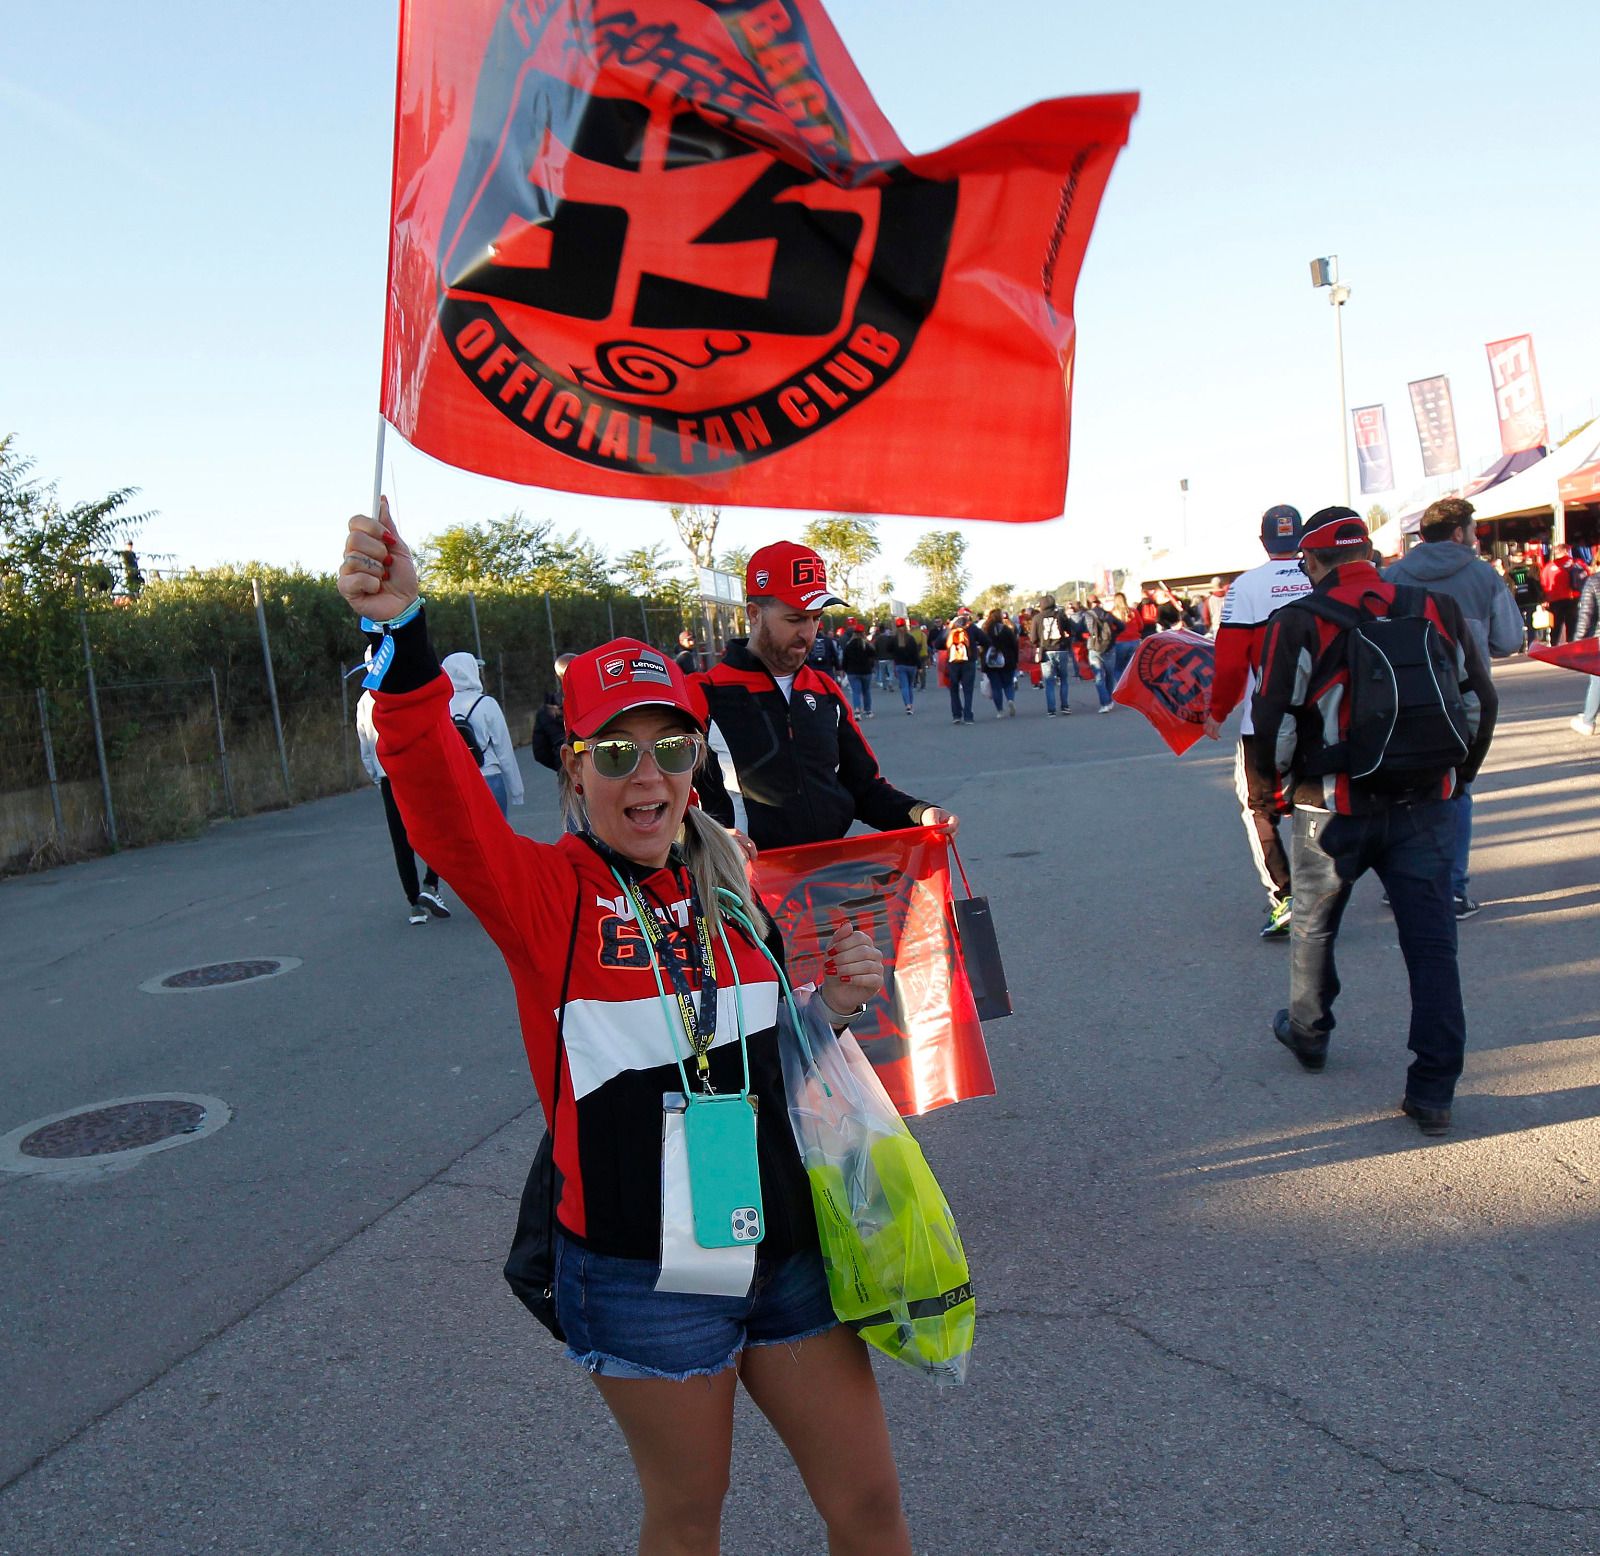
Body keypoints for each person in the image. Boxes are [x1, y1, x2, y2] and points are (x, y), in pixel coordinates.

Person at [340, 504, 915, 1556]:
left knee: (870, 1505)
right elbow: (434, 789)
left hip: (783, 1240)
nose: (645, 775)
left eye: (669, 746)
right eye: (615, 749)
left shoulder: (736, 874)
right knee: (689, 1520)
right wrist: (405, 631)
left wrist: (825, 1005)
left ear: (697, 757)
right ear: (574, 769)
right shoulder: (543, 891)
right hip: (645, 1272)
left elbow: (756, 1041)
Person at [1251, 510, 1497, 1137]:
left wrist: (1273, 795)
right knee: (1432, 944)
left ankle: (1309, 1032)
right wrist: (1458, 775)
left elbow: (1275, 718)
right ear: (1372, 552)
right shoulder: (1432, 605)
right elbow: (1479, 698)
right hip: (1427, 802)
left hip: (1331, 806)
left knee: (1313, 923)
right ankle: (1435, 1088)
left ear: (1310, 562)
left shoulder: (1299, 621)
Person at [693, 541, 959, 847]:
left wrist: (921, 813)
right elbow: (665, 803)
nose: (808, 633)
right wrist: (711, 839)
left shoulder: (824, 690)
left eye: (815, 618)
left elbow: (862, 787)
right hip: (740, 885)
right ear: (754, 614)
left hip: (825, 880)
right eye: (795, 619)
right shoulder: (702, 694)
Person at [1384, 495, 1525, 917]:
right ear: (1460, 532)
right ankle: (1454, 889)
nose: (1478, 538)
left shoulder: (1392, 575)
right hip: (1463, 700)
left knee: (1404, 792)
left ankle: (1405, 882)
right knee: (1457, 788)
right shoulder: (1484, 576)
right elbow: (1507, 640)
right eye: (1475, 530)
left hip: (1400, 698)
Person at [1203, 504, 1313, 939]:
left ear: (1264, 541)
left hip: (1267, 717)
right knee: (1319, 800)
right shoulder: (1320, 576)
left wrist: (1216, 712)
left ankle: (1286, 895)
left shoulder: (1245, 588)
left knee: (1259, 808)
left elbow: (1230, 663)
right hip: (1329, 713)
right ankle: (1325, 888)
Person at [355, 669, 450, 926]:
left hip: (388, 776)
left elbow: (365, 743)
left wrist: (376, 774)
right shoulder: (405, 690)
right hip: (416, 771)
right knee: (433, 829)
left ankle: (414, 903)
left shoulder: (365, 700)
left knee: (400, 839)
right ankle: (431, 883)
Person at [442, 652, 525, 817]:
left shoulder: (442, 706)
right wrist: (517, 791)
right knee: (497, 836)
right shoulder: (487, 704)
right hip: (489, 776)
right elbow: (504, 749)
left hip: (456, 780)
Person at [1570, 566, 1600, 736]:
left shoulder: (1594, 581)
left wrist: (1578, 643)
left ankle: (1588, 720)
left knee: (1597, 679)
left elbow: (1586, 616)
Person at [1030, 596, 1071, 717]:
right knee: (1063, 679)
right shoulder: (1061, 615)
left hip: (1046, 651)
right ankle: (1065, 706)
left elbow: (1033, 639)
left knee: (1049, 681)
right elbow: (1070, 630)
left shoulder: (1037, 618)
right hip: (1061, 649)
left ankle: (1051, 709)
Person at [1540, 544, 1588, 646]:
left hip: (1554, 599)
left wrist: (1545, 598)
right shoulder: (1575, 563)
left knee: (1556, 625)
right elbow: (1586, 574)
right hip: (1572, 597)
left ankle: (1554, 645)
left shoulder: (1548, 567)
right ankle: (1572, 644)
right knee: (1572, 623)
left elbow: (1543, 584)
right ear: (1566, 551)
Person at [943, 607, 982, 725]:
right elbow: (985, 640)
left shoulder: (950, 628)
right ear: (968, 616)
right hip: (968, 662)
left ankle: (956, 715)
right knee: (968, 690)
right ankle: (968, 716)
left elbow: (939, 642)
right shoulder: (972, 628)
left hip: (953, 662)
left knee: (954, 690)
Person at [980, 607, 1018, 716]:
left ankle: (1000, 710)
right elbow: (1014, 645)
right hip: (1007, 660)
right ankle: (1010, 699)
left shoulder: (986, 629)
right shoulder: (1006, 629)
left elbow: (981, 646)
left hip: (991, 661)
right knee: (1008, 684)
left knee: (995, 686)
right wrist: (1015, 660)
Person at [840, 621, 877, 717]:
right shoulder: (866, 645)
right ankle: (868, 710)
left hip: (852, 672)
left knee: (855, 692)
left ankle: (857, 711)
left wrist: (845, 670)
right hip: (866, 671)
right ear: (863, 633)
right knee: (866, 691)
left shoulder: (849, 645)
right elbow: (873, 655)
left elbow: (845, 659)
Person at [1505, 549, 1544, 637]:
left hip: (1519, 601)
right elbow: (1537, 582)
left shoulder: (1509, 572)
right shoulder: (1530, 569)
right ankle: (1530, 644)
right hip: (1528, 600)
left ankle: (1523, 644)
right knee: (1529, 624)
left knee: (1519, 624)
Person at [890, 617, 922, 712]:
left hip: (900, 665)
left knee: (904, 686)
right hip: (911, 665)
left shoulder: (894, 639)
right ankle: (911, 704)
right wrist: (919, 666)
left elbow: (888, 649)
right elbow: (916, 653)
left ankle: (907, 704)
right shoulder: (911, 638)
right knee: (910, 686)